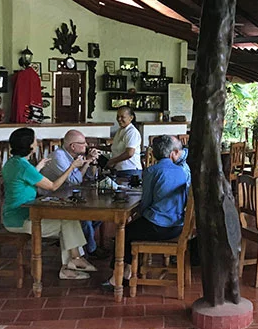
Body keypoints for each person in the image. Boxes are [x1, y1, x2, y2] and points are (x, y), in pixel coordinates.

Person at [2, 127, 96, 280]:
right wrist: (71, 167)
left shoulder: (13, 162)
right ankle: (70, 264)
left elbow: (22, 178)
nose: (37, 142)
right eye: (34, 140)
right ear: (29, 146)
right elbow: (53, 186)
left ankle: (74, 260)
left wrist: (38, 167)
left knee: (68, 219)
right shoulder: (23, 166)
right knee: (66, 224)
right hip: (20, 219)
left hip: (15, 214)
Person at [102, 135, 191, 290]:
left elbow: (146, 201)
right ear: (172, 153)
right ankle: (127, 271)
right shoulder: (182, 171)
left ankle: (118, 276)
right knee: (132, 230)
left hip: (158, 226)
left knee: (122, 234)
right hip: (178, 225)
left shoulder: (152, 171)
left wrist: (140, 214)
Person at [41, 129, 108, 259]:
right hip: (50, 199)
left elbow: (90, 177)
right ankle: (91, 249)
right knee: (85, 219)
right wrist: (86, 162)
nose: (87, 145)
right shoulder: (58, 157)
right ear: (73, 146)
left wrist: (92, 161)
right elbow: (74, 181)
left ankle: (78, 242)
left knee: (100, 214)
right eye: (83, 143)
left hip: (68, 196)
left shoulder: (74, 156)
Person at [106, 106, 142, 178]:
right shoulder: (120, 130)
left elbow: (129, 153)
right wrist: (95, 147)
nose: (119, 119)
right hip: (120, 170)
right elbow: (115, 148)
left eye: (122, 117)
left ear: (131, 118)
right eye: (118, 116)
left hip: (130, 170)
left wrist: (112, 161)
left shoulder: (132, 132)